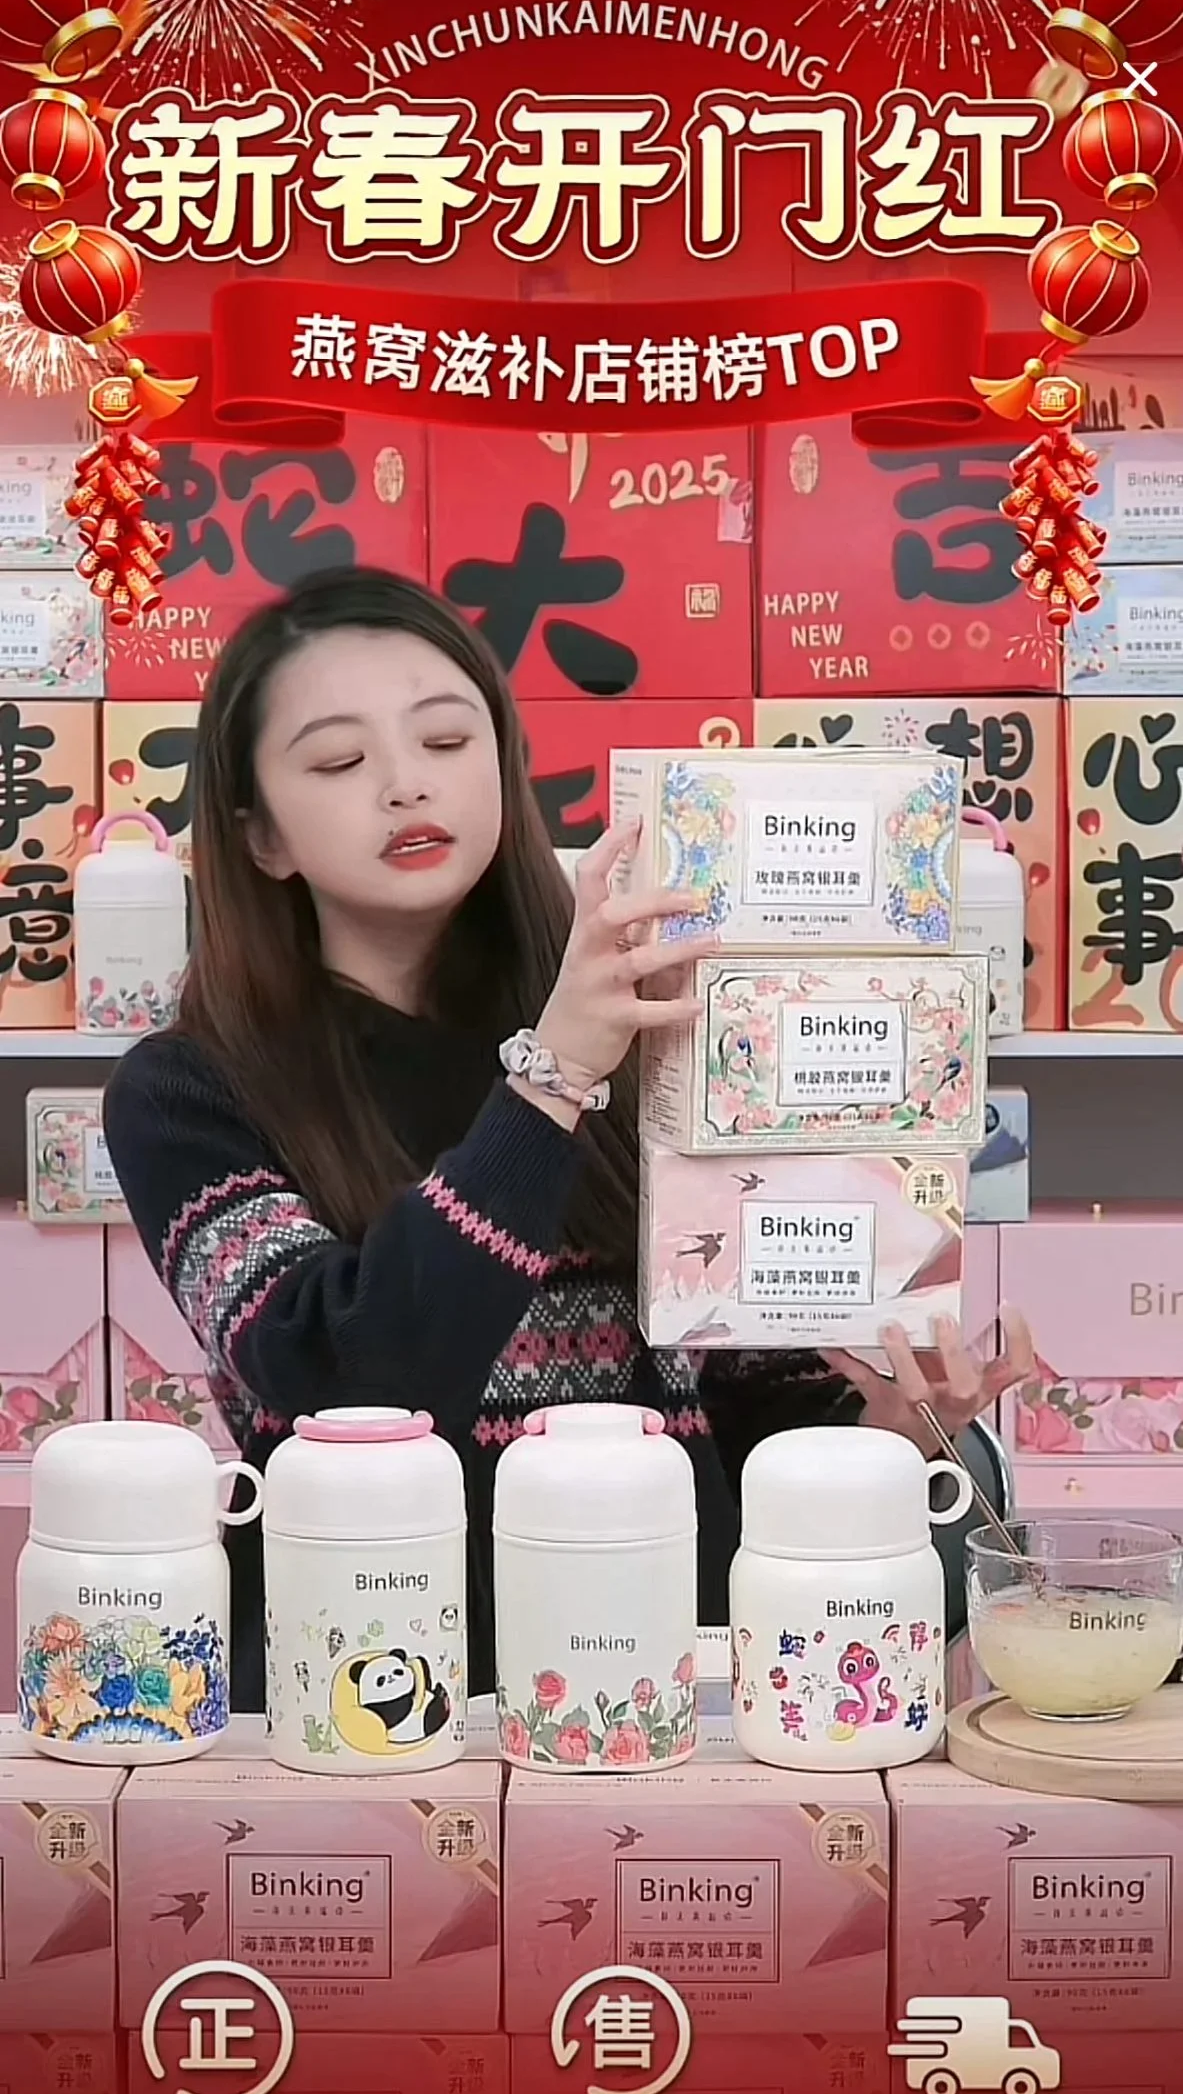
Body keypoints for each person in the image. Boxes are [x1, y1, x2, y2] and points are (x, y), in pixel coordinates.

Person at [104, 567, 1033, 1710]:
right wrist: (552, 1078)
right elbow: (346, 1383)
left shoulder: (652, 1031)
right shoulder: (185, 1091)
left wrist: (883, 1425)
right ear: (261, 838)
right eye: (339, 761)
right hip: (366, 1688)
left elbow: (746, 1399)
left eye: (447, 740)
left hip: (668, 1676)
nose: (405, 783)